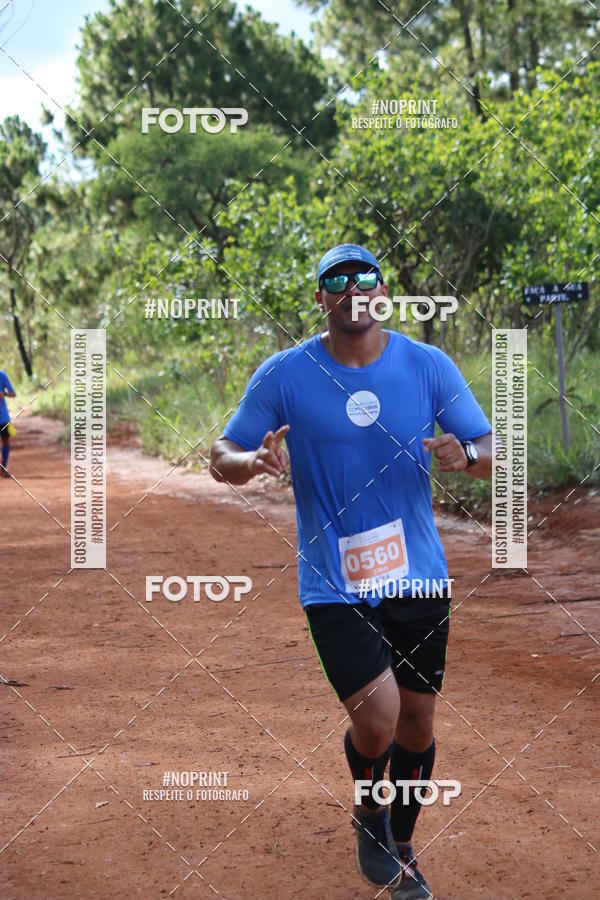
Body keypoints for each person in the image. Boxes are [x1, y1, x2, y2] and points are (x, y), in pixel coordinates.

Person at [209, 243, 493, 898]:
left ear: (382, 292)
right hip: (334, 582)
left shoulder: (427, 366)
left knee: (418, 722)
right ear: (321, 299)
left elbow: (490, 446)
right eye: (337, 282)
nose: (352, 291)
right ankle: (370, 811)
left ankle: (400, 844)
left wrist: (466, 455)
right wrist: (249, 463)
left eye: (364, 279)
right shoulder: (286, 375)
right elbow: (221, 453)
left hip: (419, 576)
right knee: (378, 718)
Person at [0, 368, 16, 478]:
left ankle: (3, 467)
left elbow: (13, 393)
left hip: (4, 417)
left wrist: (3, 394)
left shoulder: (2, 375)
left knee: (6, 442)